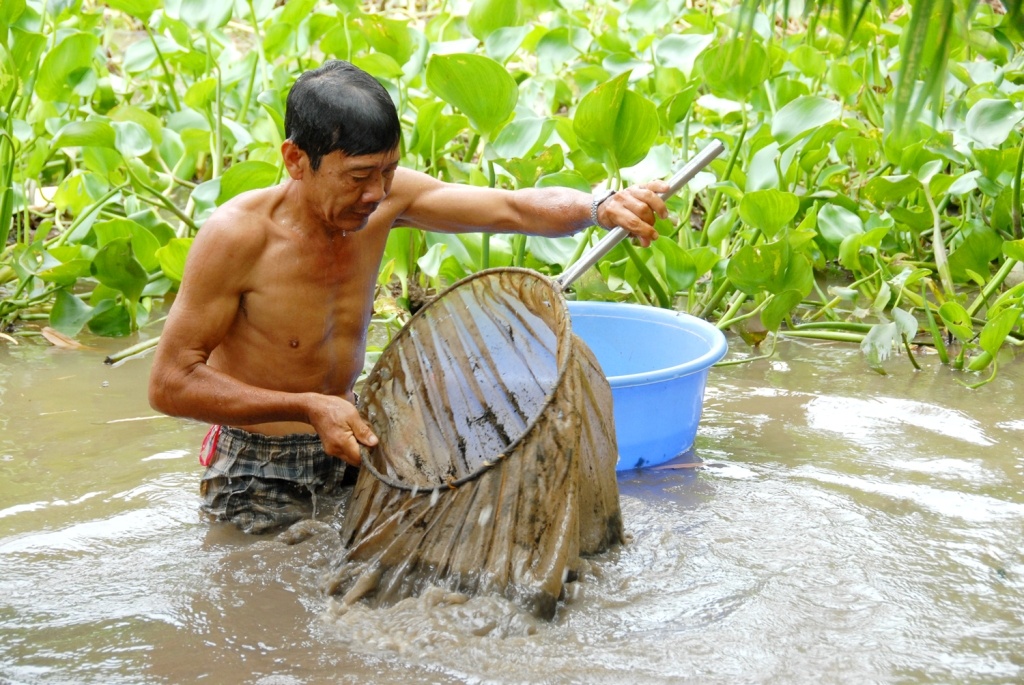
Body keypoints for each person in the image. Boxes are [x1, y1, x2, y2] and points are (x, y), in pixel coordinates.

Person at [148, 60, 670, 533]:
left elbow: (514, 208)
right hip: (257, 466)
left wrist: (598, 205)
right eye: (357, 176)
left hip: (357, 445)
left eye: (388, 171)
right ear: (295, 159)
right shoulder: (238, 238)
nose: (375, 194)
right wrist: (306, 407)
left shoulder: (385, 199)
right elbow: (170, 383)